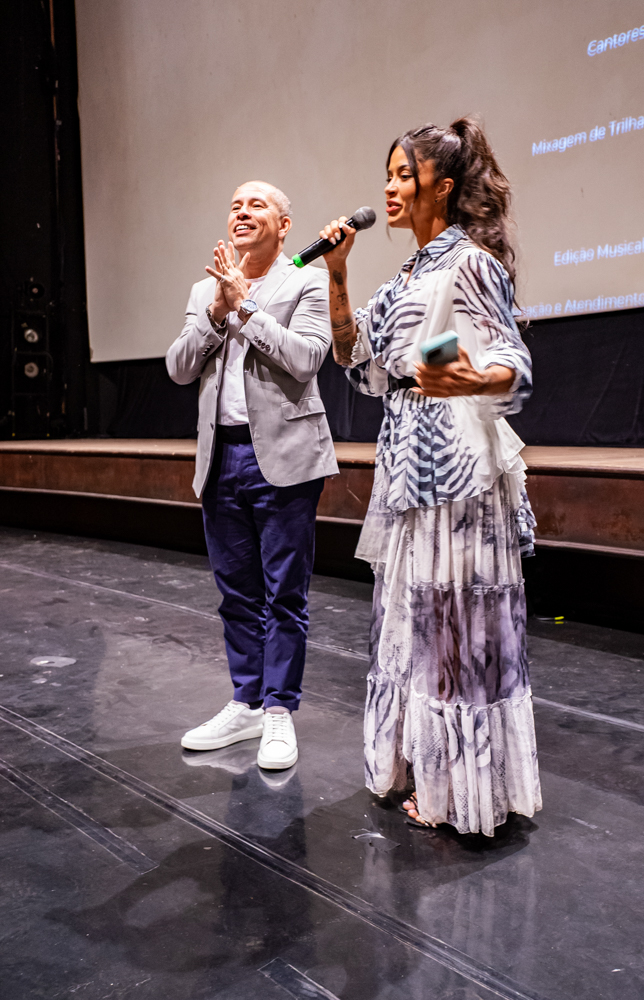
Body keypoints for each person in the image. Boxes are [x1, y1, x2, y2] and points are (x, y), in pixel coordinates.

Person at [319, 119, 542, 835]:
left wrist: (472, 378)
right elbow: (355, 361)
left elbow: (513, 362)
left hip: (460, 472)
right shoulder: (403, 279)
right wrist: (337, 275)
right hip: (408, 467)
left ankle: (465, 790)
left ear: (440, 188)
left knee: (455, 628)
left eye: (403, 175)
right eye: (387, 174)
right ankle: (427, 767)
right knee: (416, 623)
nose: (389, 187)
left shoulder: (469, 264)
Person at [166, 180, 338, 769]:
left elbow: (306, 358)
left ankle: (279, 711)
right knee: (236, 593)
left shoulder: (307, 280)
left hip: (286, 457)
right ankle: (246, 702)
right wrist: (216, 313)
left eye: (256, 204)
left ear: (284, 225)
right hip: (222, 458)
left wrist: (245, 306)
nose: (242, 212)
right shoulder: (205, 289)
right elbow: (178, 368)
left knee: (284, 593)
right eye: (235, 205)